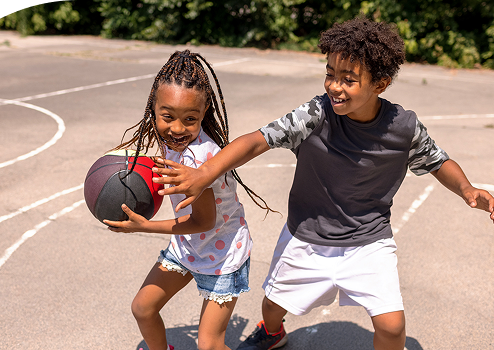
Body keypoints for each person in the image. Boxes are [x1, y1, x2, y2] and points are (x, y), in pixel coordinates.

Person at [150, 18, 494, 350]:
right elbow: (258, 140)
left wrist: (466, 189)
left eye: (348, 79)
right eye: (330, 74)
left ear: (380, 83)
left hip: (368, 241)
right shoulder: (316, 114)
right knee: (271, 307)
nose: (333, 85)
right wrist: (206, 172)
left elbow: (438, 161)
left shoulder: (403, 128)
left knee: (392, 325)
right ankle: (272, 333)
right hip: (306, 235)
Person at [104, 50, 274, 350]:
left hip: (223, 256)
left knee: (209, 345)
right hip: (188, 248)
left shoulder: (199, 158)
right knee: (143, 308)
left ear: (204, 111)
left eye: (190, 119)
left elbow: (203, 221)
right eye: (167, 116)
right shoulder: (174, 142)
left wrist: (144, 226)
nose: (178, 128)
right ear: (153, 109)